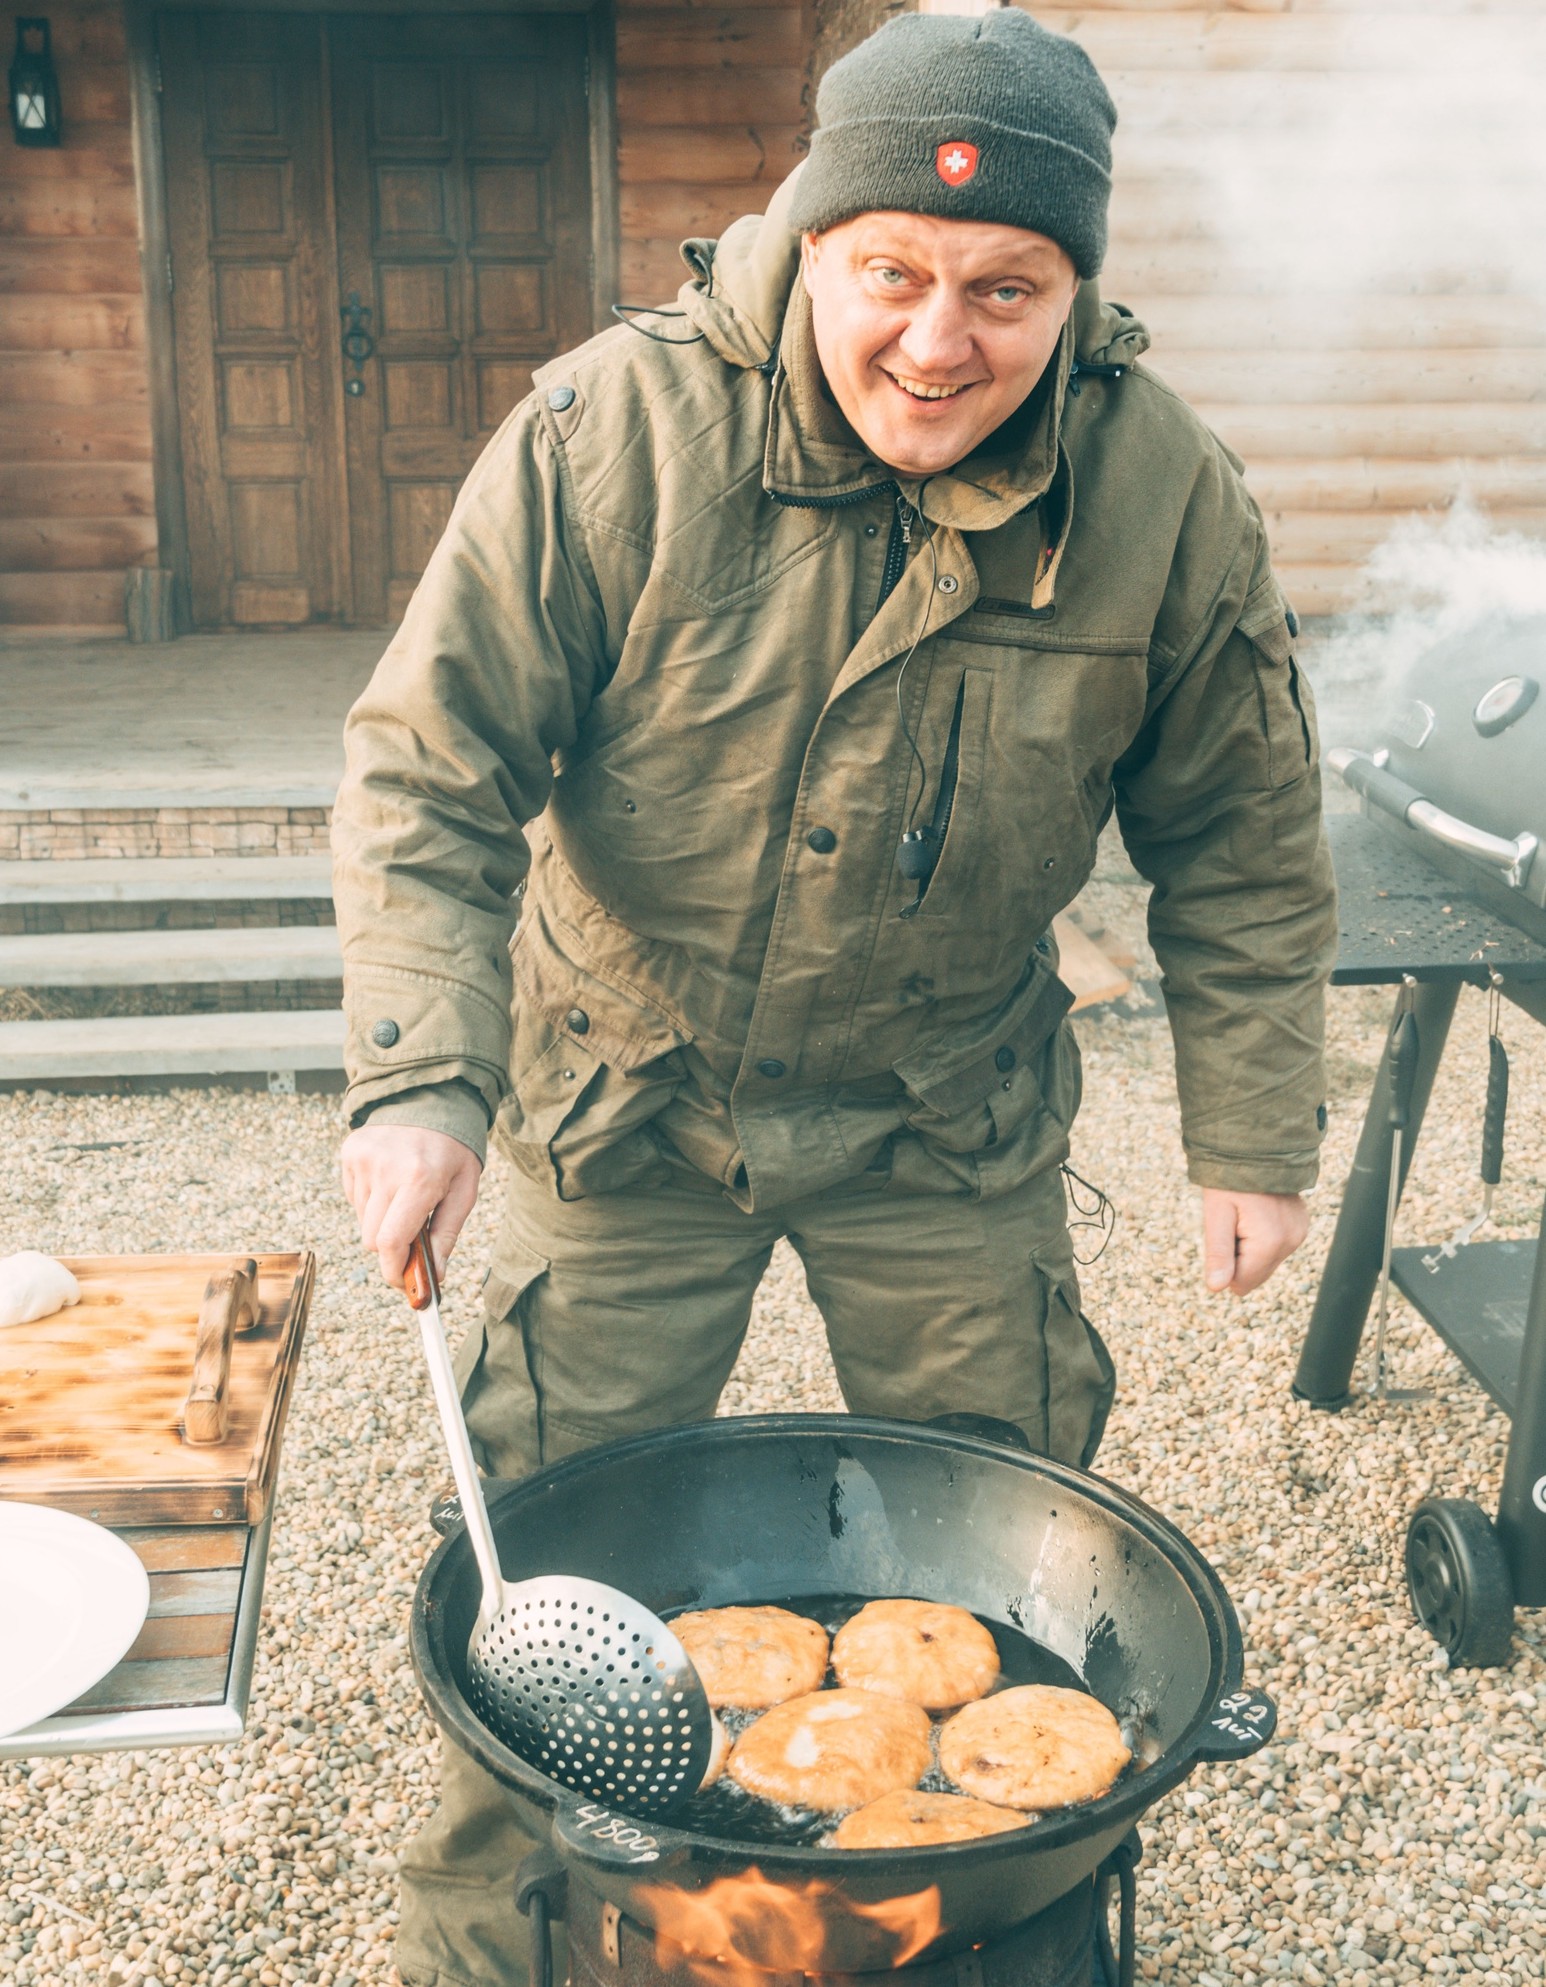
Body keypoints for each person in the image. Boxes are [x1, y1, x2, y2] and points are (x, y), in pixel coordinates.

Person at [332, 12, 1337, 1983]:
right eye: (888, 272)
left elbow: (1239, 834)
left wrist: (1248, 1128)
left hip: (939, 1119)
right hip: (621, 1097)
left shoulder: (1162, 500)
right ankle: (483, 1939)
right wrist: (421, 1079)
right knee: (534, 1555)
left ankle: (1003, 1923)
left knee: (1015, 1533)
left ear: (1076, 287)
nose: (936, 344)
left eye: (1005, 290)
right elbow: (427, 768)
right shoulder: (609, 436)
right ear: (806, 241)